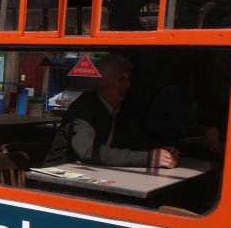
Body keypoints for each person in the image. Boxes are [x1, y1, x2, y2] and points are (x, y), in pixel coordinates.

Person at [44, 53, 179, 168]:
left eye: (129, 79)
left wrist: (161, 152)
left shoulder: (122, 109)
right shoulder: (83, 108)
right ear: (101, 81)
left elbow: (134, 141)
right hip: (56, 181)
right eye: (121, 79)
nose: (127, 84)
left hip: (95, 175)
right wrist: (149, 158)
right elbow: (88, 152)